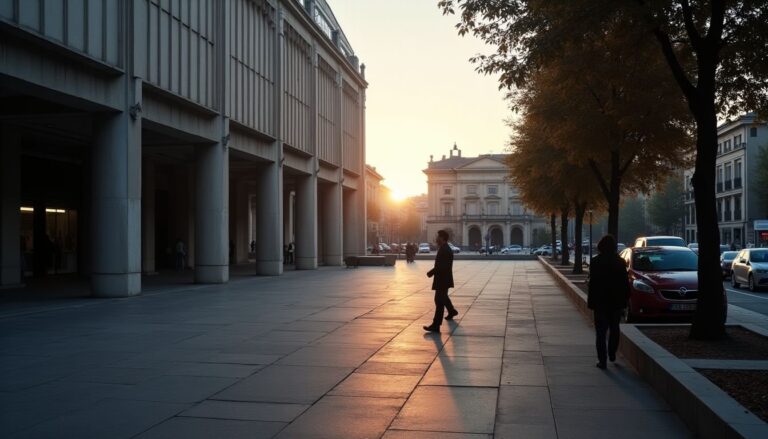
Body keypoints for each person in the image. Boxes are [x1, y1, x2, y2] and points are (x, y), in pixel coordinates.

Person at [587, 234, 630, 369]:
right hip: (616, 302)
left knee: (600, 332)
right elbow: (625, 284)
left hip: (600, 302)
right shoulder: (620, 262)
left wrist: (591, 302)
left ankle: (602, 360)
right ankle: (612, 353)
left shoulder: (595, 262)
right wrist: (625, 301)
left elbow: (592, 284)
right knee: (614, 328)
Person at [424, 230, 459, 333]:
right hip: (444, 279)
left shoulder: (445, 250)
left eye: (438, 236)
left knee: (439, 301)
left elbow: (441, 266)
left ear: (442, 238)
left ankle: (436, 325)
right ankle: (451, 311)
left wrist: (431, 272)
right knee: (441, 299)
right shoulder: (445, 248)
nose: (436, 238)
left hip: (442, 280)